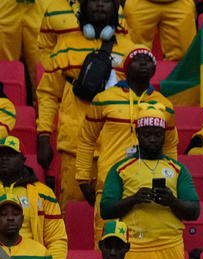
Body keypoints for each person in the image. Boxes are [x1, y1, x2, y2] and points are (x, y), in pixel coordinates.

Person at [35, 0, 136, 206]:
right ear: (83, 6)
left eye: (106, 0)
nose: (100, 4)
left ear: (116, 7)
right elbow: (48, 93)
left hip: (117, 149)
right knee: (72, 213)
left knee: (115, 218)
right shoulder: (64, 46)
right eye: (94, 0)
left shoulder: (130, 50)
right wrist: (44, 136)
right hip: (75, 148)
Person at [99, 106, 199, 259]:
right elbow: (105, 209)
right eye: (146, 134)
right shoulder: (121, 168)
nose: (152, 139)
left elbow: (194, 211)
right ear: (137, 134)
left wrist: (172, 201)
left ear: (164, 135)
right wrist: (134, 199)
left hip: (170, 247)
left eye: (157, 134)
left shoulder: (178, 169)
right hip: (134, 249)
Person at [77, 48, 178, 223]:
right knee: (109, 243)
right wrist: (82, 178)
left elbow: (170, 145)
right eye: (137, 59)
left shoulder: (165, 105)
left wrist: (171, 181)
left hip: (150, 184)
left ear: (155, 68)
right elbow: (87, 139)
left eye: (148, 59)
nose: (144, 62)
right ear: (126, 67)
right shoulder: (104, 99)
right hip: (110, 182)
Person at [0, 136, 67, 259]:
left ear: (23, 160)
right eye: (1, 154)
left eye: (11, 154)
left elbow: (56, 239)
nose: (4, 158)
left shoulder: (43, 194)